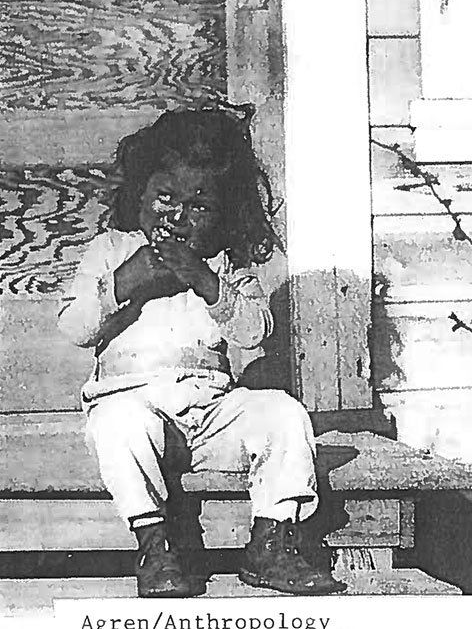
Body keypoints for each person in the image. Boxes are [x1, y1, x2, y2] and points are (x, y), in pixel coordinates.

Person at [57, 107, 346, 598]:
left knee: (283, 413)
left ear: (226, 213)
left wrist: (206, 282)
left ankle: (271, 542)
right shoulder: (112, 249)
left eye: (200, 205)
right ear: (139, 195)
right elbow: (74, 327)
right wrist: (125, 283)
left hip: (211, 414)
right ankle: (155, 545)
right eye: (164, 198)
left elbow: (255, 330)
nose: (178, 215)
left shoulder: (223, 265)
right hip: (137, 406)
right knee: (118, 424)